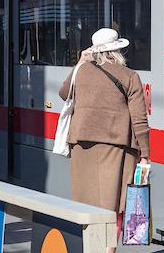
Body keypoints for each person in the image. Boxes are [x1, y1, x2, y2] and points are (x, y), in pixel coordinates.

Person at [59, 28, 150, 249]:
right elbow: (139, 120)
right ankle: (108, 249)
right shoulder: (130, 77)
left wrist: (80, 62)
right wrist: (145, 154)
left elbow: (64, 93)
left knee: (87, 204)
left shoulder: (81, 72)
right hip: (117, 148)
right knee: (115, 206)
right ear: (118, 50)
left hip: (82, 146)